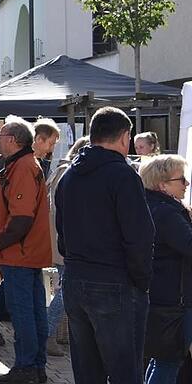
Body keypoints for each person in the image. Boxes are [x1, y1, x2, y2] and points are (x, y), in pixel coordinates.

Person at [56, 107, 155, 384]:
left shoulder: (69, 176)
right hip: (114, 282)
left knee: (87, 373)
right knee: (125, 373)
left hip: (76, 279)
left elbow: (62, 233)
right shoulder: (123, 175)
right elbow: (140, 237)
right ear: (125, 137)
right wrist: (141, 282)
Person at [0, 116, 51, 384]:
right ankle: (35, 367)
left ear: (12, 140)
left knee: (24, 311)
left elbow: (22, 216)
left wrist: (2, 241)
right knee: (34, 311)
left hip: (19, 253)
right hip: (24, 253)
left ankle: (27, 366)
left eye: (0, 137)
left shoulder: (23, 166)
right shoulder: (22, 164)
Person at [140, 155, 192, 383]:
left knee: (162, 359)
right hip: (174, 298)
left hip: (162, 293)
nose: (187, 184)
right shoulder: (167, 213)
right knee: (169, 360)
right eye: (182, 179)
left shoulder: (152, 206)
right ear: (163, 184)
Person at [44, 136, 90, 357]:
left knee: (56, 291)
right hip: (64, 244)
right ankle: (47, 334)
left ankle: (47, 334)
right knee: (61, 292)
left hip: (58, 242)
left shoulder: (60, 170)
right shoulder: (68, 172)